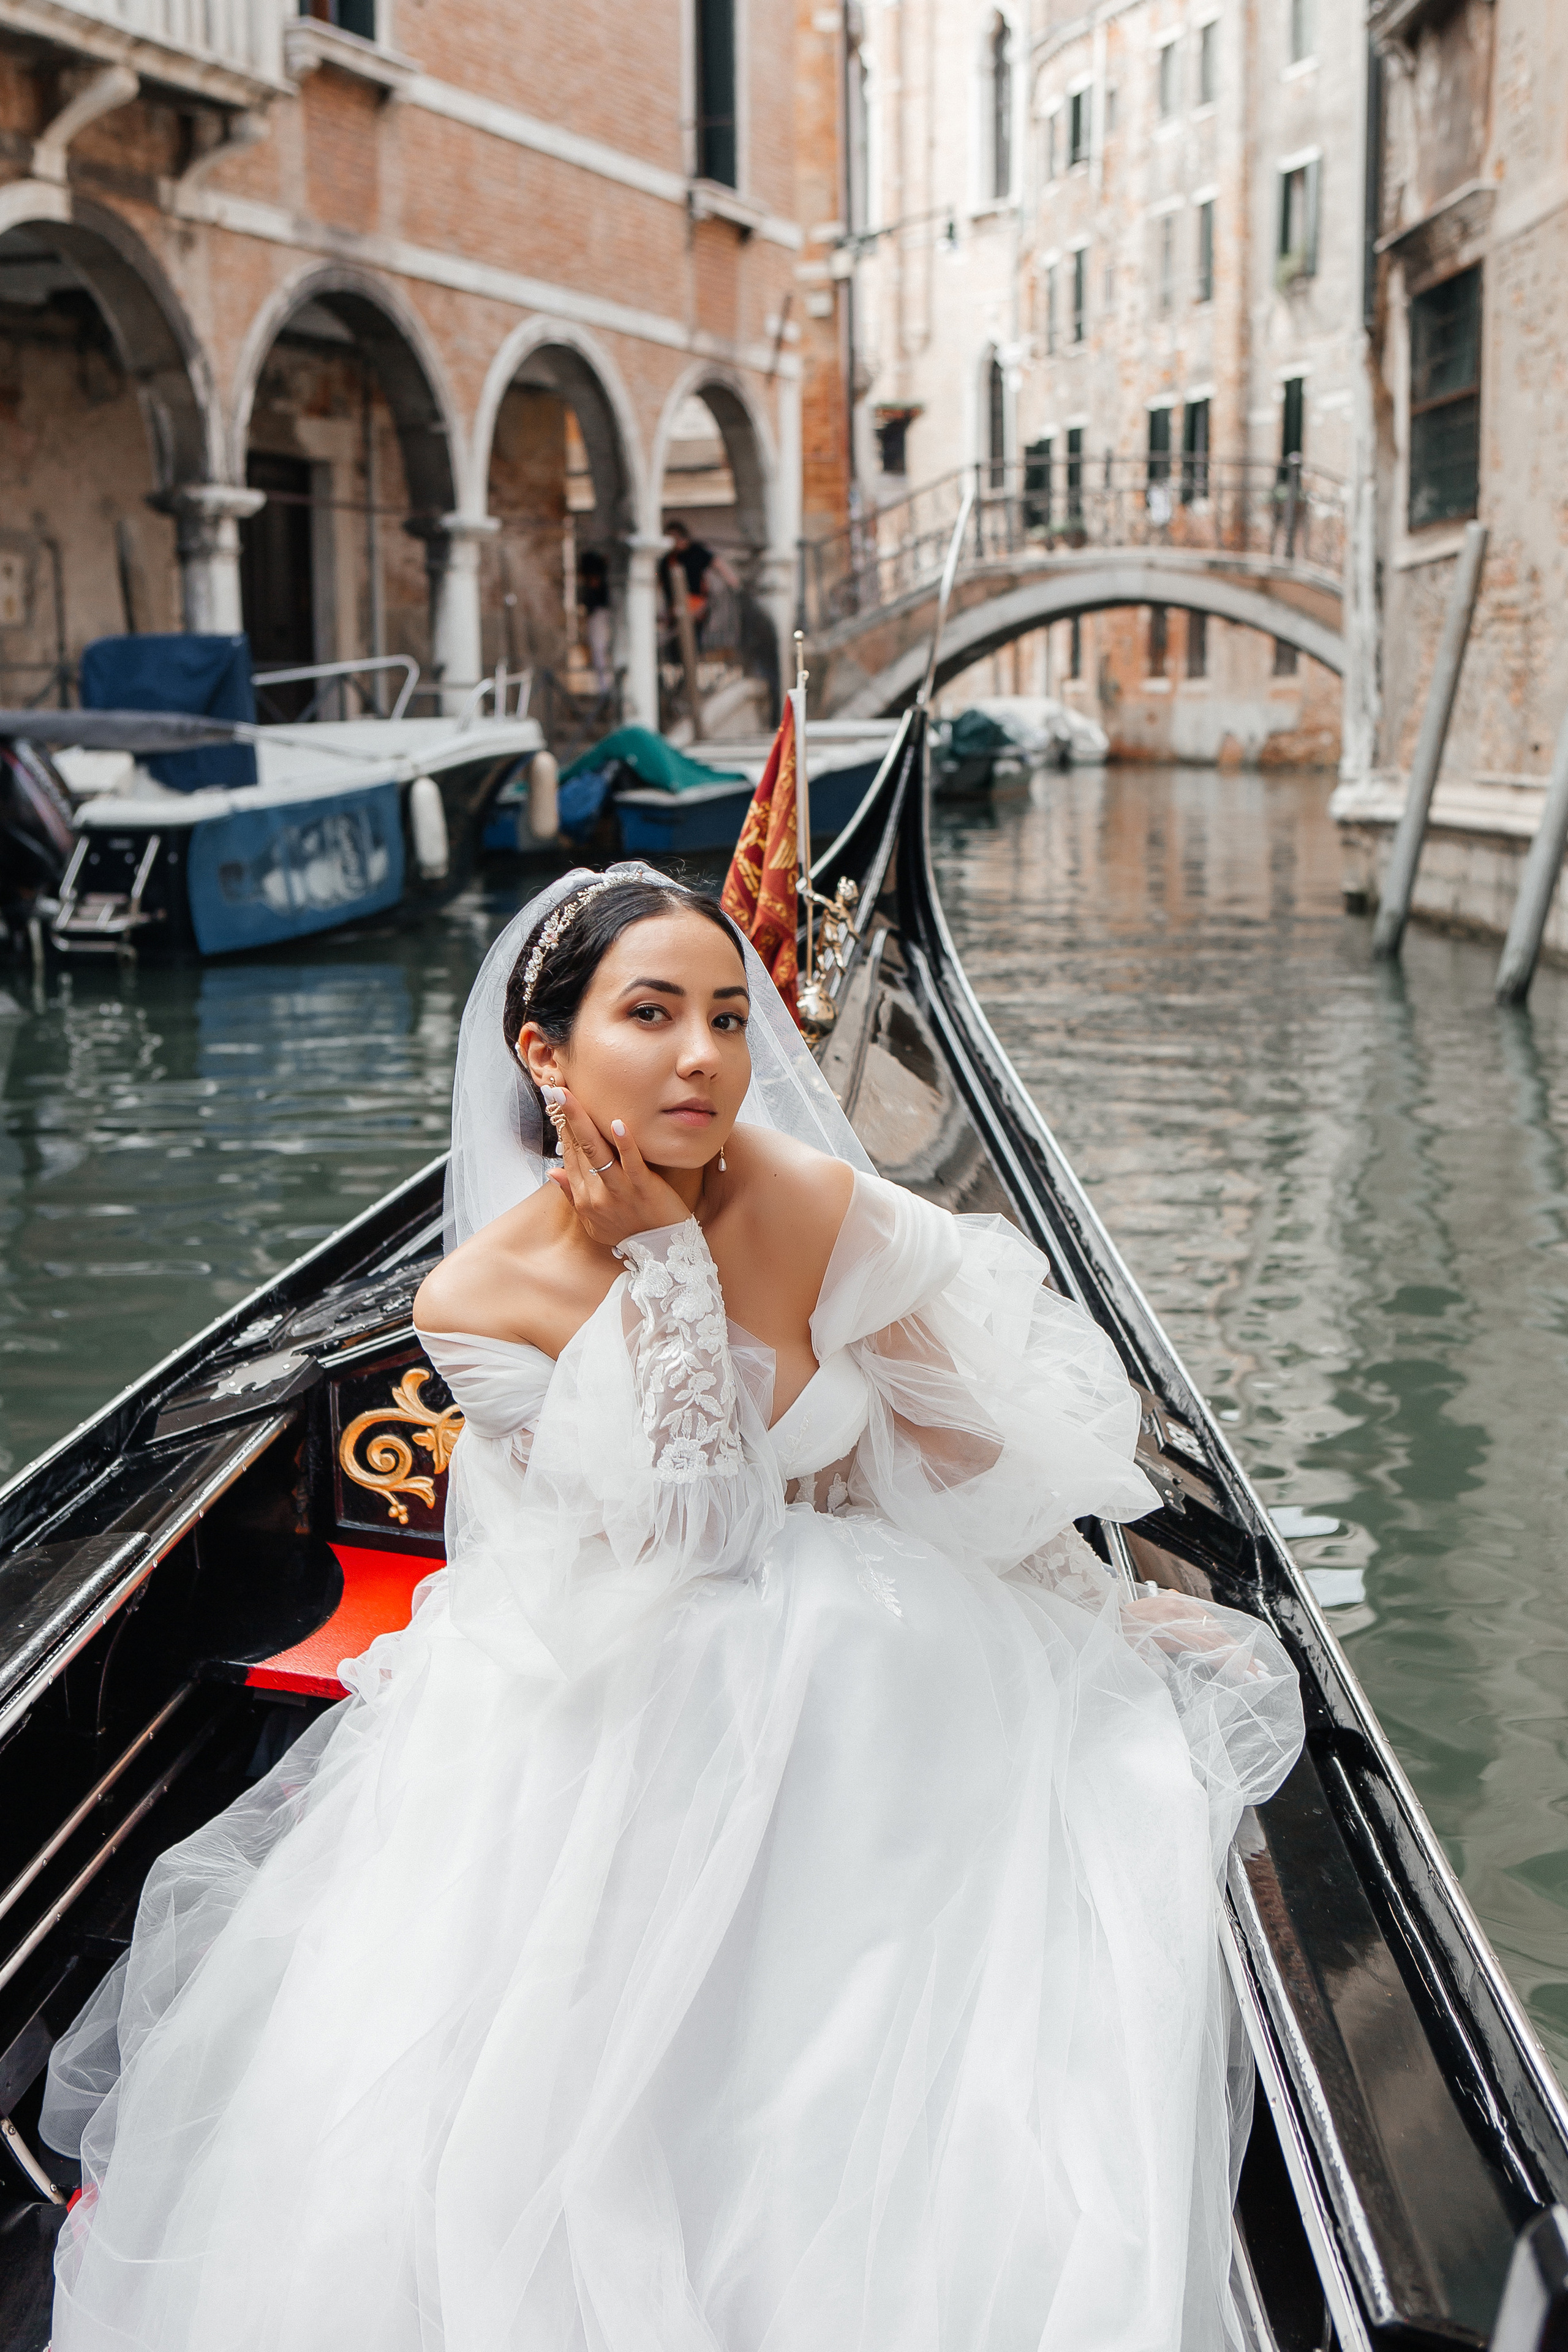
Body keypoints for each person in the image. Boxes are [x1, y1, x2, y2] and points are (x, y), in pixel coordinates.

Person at [42, 864, 1303, 2351]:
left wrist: (1098, 1612)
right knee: (766, 1657)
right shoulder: (476, 1298)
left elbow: (959, 1452)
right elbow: (693, 1538)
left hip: (874, 1648)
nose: (706, 1055)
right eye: (649, 1015)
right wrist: (656, 1262)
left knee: (869, 1660)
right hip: (623, 1649)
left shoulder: (818, 1195)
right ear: (545, 1051)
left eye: (724, 1012)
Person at [659, 516, 737, 644]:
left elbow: (718, 564)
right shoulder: (668, 558)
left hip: (696, 604)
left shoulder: (697, 551)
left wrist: (734, 584)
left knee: (693, 639)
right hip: (674, 607)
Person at [578, 546, 614, 696]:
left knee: (601, 651)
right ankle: (605, 687)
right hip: (598, 614)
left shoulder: (599, 584)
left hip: (600, 614)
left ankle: (606, 688)